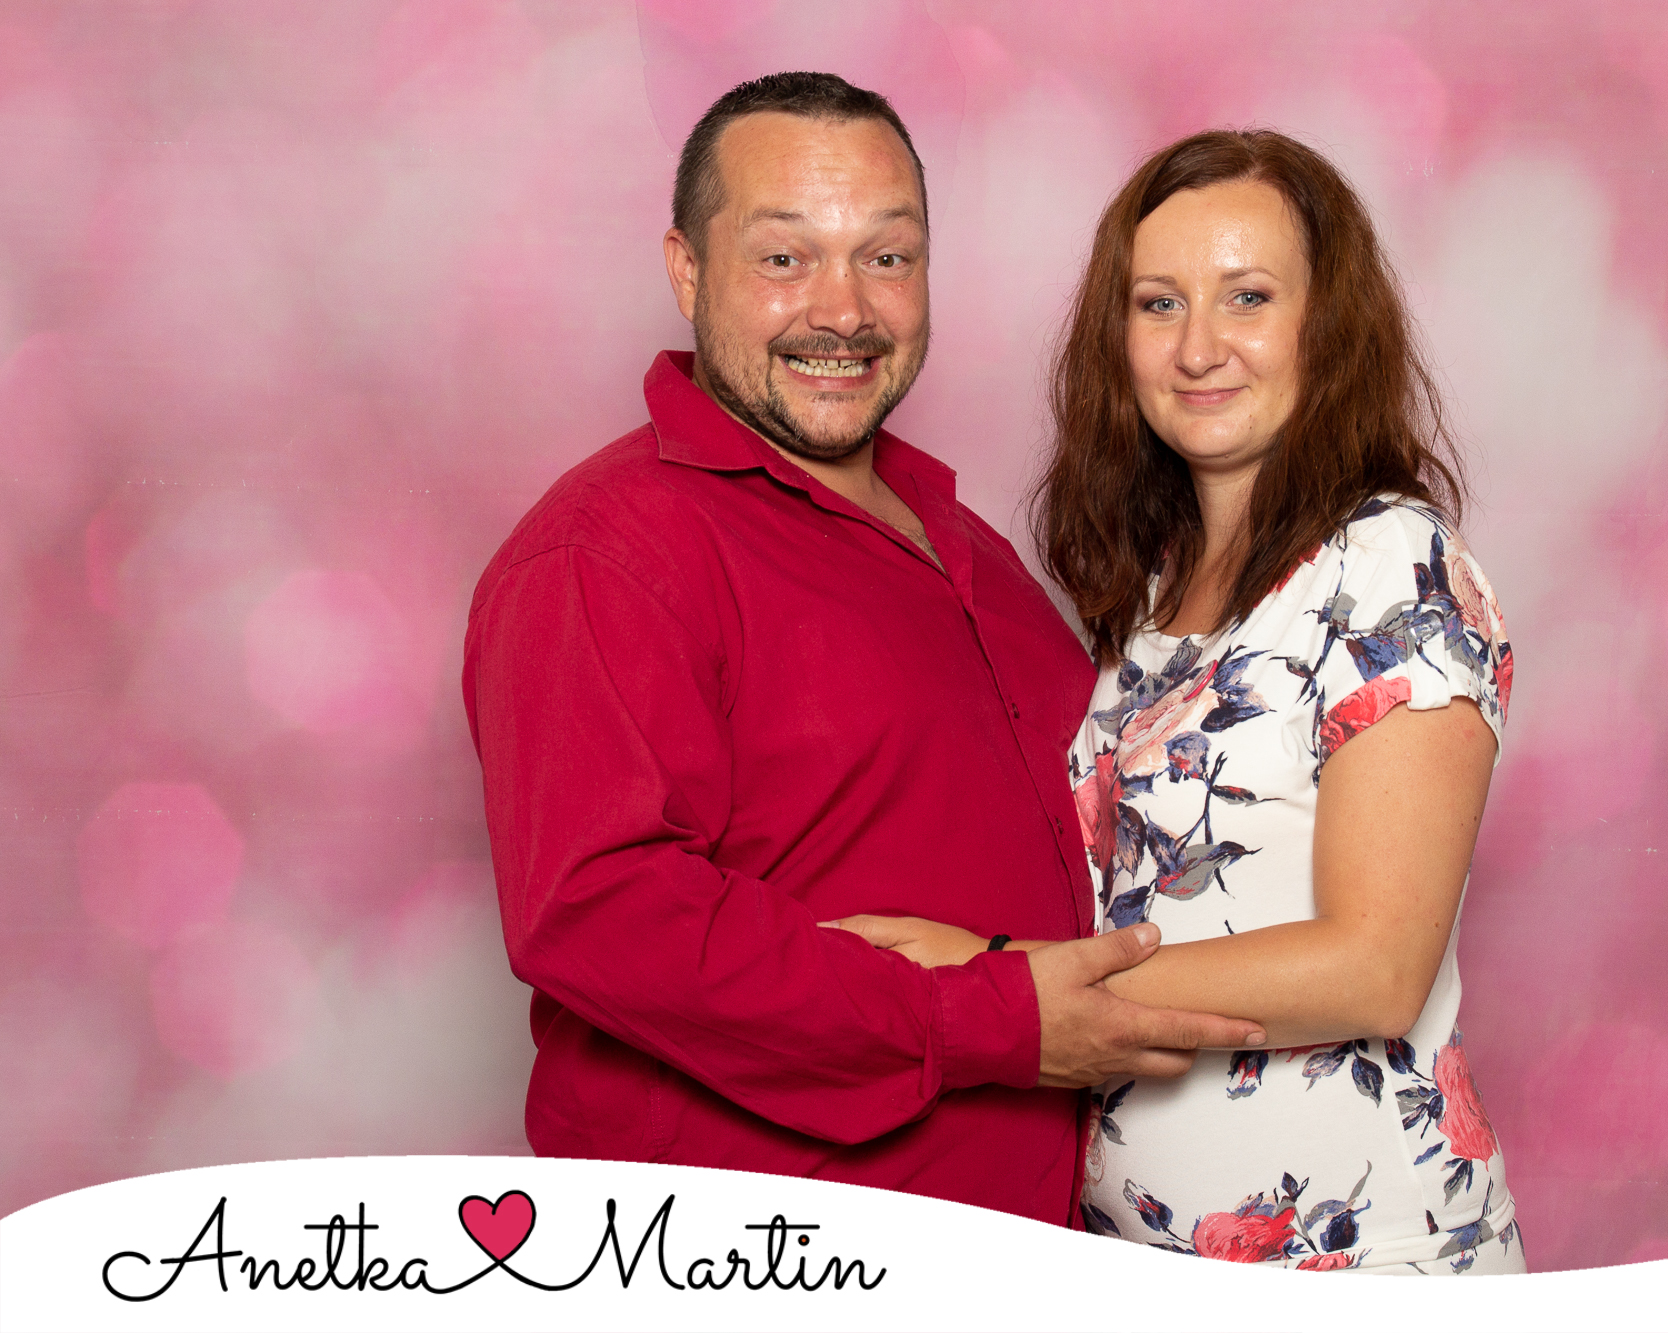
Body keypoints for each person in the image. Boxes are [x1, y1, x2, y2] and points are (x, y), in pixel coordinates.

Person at [461, 74, 1262, 1227]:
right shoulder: (606, 552)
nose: (841, 310)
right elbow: (607, 912)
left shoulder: (967, 545)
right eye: (784, 258)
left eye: (885, 257)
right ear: (687, 270)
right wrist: (995, 1018)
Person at [828, 129, 1523, 1271]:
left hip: (1358, 1257)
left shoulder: (1390, 561)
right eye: (1159, 304)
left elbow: (1375, 967)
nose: (1198, 347)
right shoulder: (1156, 596)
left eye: (1248, 297)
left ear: (1328, 325)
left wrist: (999, 974)